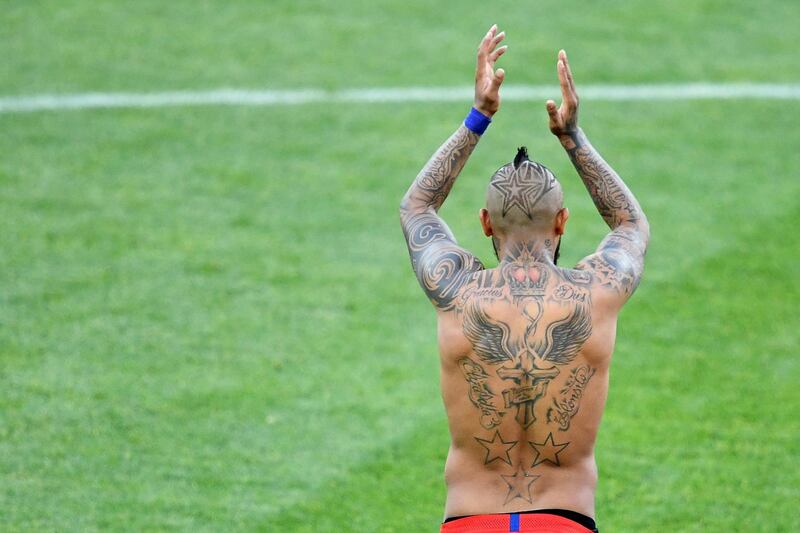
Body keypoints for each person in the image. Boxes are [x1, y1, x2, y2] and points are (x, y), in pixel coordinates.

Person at [399, 25, 650, 533]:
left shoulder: (457, 291)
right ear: (562, 221)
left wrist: (479, 115)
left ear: (485, 223)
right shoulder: (594, 292)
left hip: (471, 520)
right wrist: (572, 137)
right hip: (565, 521)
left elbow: (417, 205)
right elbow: (630, 224)